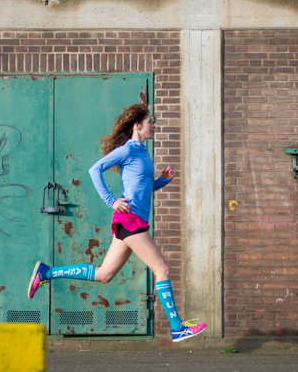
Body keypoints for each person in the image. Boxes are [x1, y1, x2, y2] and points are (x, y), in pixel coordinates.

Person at [27, 102, 207, 342]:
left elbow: (141, 186)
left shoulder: (142, 151)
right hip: (129, 220)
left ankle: (47, 273)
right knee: (162, 269)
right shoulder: (128, 150)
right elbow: (95, 170)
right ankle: (177, 327)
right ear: (137, 125)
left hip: (133, 221)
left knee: (104, 274)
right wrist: (110, 200)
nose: (154, 125)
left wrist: (161, 181)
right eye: (150, 121)